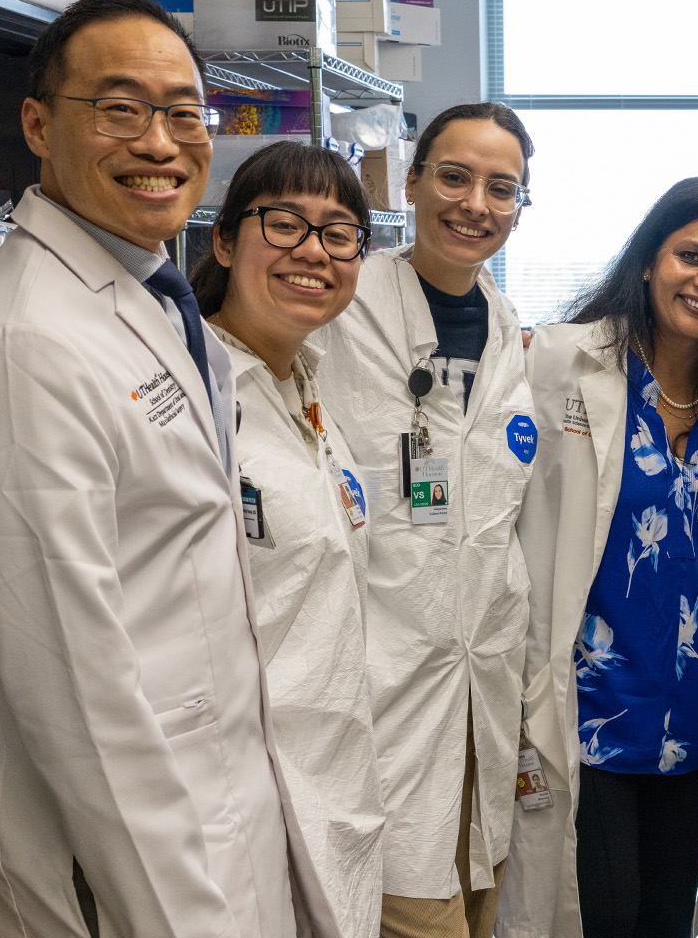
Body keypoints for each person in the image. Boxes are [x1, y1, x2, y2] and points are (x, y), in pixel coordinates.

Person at [0, 0, 340, 938]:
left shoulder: (147, 294)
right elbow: (75, 691)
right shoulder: (28, 338)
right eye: (119, 109)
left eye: (184, 113)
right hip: (134, 860)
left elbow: (122, 512)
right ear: (37, 126)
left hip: (216, 796)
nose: (160, 142)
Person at [500, 177, 698, 938]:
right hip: (589, 719)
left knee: (667, 919)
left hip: (689, 726)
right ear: (649, 260)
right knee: (599, 913)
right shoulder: (563, 364)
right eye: (690, 255)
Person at [316, 102, 540, 938]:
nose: (474, 203)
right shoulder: (340, 305)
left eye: (501, 187)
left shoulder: (510, 326)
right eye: (453, 176)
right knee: (407, 908)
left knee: (476, 901)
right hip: (377, 687)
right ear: (410, 183)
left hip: (481, 690)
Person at [190, 141, 385, 938]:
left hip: (330, 781)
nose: (314, 251)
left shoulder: (308, 394)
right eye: (285, 224)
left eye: (339, 234)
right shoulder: (186, 393)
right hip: (230, 796)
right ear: (226, 241)